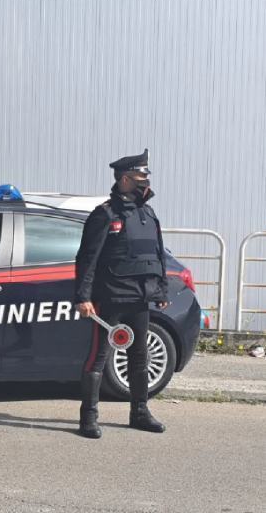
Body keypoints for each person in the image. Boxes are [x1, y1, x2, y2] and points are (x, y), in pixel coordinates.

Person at [74, 149, 167, 438]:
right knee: (98, 357)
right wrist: (83, 297)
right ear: (126, 179)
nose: (146, 180)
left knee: (140, 357)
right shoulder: (105, 214)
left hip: (140, 298)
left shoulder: (147, 213)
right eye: (141, 175)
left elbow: (157, 254)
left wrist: (161, 289)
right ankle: (88, 417)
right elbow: (86, 259)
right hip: (109, 298)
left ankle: (139, 412)